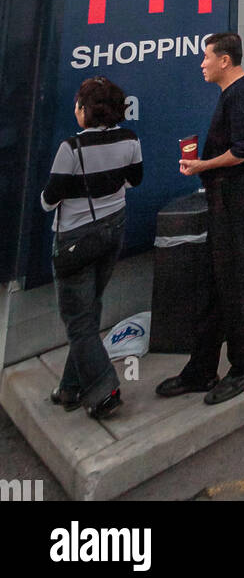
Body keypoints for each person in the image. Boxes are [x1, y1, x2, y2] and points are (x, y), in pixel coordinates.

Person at [156, 32, 244, 405]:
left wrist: (202, 164)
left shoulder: (240, 94)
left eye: (207, 58)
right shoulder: (231, 93)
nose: (201, 64)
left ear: (225, 61)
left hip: (235, 199)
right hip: (223, 199)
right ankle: (201, 370)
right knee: (216, 283)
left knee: (237, 281)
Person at [41, 77, 142, 419]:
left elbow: (50, 198)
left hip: (75, 240)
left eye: (77, 105)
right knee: (88, 311)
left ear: (85, 110)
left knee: (77, 319)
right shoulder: (130, 139)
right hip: (113, 230)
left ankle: (103, 390)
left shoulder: (71, 148)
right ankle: (71, 387)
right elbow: (134, 179)